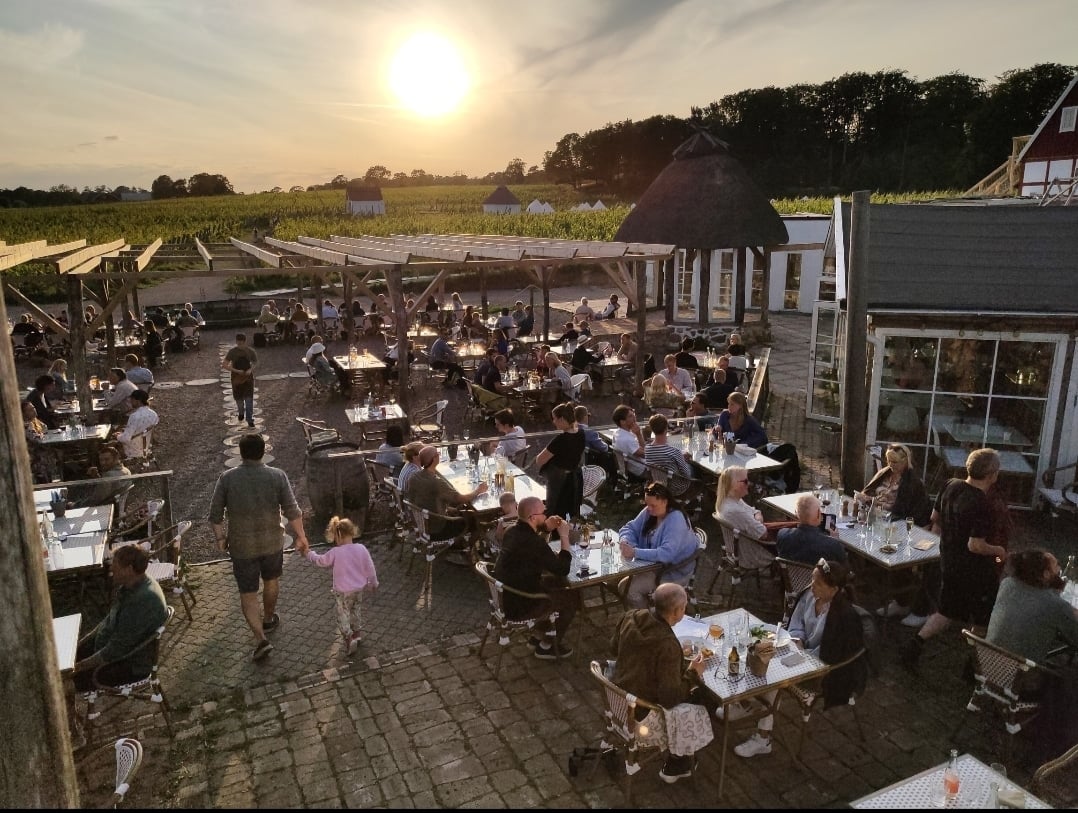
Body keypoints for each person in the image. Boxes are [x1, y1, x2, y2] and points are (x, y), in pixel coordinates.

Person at [733, 558, 865, 758]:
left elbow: (833, 652)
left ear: (834, 589)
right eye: (812, 580)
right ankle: (745, 704)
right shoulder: (809, 595)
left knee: (772, 675)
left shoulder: (844, 615)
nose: (812, 586)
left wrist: (803, 655)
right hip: (798, 651)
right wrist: (798, 639)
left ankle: (763, 738)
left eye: (818, 583)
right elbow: (796, 622)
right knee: (757, 650)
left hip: (824, 670)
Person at [902, 448, 1006, 670]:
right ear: (992, 475)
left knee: (946, 611)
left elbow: (935, 518)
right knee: (982, 619)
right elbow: (975, 545)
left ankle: (914, 645)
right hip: (976, 572)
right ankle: (972, 666)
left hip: (949, 563)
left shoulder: (950, 485)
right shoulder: (983, 504)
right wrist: (998, 550)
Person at [210, 433, 308, 662]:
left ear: (241, 453)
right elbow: (292, 510)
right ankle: (269, 618)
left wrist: (221, 538)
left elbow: (215, 515)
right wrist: (301, 536)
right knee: (271, 581)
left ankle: (260, 639)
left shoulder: (227, 478)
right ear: (263, 452)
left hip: (242, 547)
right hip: (272, 542)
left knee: (248, 592)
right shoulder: (277, 476)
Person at [611, 582, 713, 783]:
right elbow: (670, 698)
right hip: (641, 714)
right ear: (677, 611)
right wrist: (693, 673)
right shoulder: (668, 645)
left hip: (617, 698)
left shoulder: (631, 616)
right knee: (701, 696)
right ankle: (679, 760)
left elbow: (613, 648)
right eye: (684, 608)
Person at [987, 548, 1078, 755]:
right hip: (1021, 679)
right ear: (1045, 574)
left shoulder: (1007, 584)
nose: (1059, 569)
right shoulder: (1055, 605)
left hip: (988, 667)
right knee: (1070, 676)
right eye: (1056, 567)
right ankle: (1059, 741)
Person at [72, 544, 169, 691]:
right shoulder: (130, 586)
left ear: (129, 569)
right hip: (108, 647)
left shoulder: (141, 601)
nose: (111, 569)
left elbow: (116, 650)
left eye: (115, 565)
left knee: (67, 682)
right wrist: (82, 642)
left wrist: (78, 667)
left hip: (130, 665)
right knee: (65, 659)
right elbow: (110, 619)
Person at [492, 495, 577, 659]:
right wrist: (564, 536)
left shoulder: (511, 531)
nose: (546, 515)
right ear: (532, 518)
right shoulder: (534, 543)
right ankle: (547, 646)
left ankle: (537, 635)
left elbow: (532, 547)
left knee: (555, 583)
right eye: (543, 513)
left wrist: (545, 528)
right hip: (520, 604)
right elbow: (562, 568)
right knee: (571, 599)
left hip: (505, 594)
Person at [297, 516, 378, 656]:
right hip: (358, 589)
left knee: (343, 615)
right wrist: (373, 582)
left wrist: (308, 554)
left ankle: (349, 638)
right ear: (352, 532)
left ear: (338, 536)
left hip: (342, 591)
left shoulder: (336, 552)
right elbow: (369, 567)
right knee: (356, 610)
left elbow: (321, 561)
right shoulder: (361, 549)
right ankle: (357, 634)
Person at [618, 482, 699, 609]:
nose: (649, 508)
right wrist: (626, 542)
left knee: (626, 588)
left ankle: (647, 617)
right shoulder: (650, 511)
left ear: (665, 502)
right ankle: (643, 612)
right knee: (616, 578)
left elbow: (666, 554)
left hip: (671, 572)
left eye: (653, 505)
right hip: (651, 565)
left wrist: (634, 552)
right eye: (647, 504)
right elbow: (630, 528)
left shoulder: (676, 519)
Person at [405, 445, 487, 541]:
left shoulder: (414, 477)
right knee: (476, 520)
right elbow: (461, 499)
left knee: (461, 510)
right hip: (437, 529)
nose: (439, 455)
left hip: (421, 524)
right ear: (434, 459)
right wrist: (478, 490)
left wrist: (448, 509)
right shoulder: (437, 482)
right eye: (437, 454)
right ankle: (467, 546)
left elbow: (426, 499)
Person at [713, 466, 790, 559]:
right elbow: (763, 534)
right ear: (734, 485)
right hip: (755, 552)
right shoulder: (735, 510)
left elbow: (755, 511)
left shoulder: (731, 499)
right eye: (745, 481)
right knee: (798, 534)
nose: (749, 483)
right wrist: (758, 519)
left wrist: (757, 519)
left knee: (794, 525)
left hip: (750, 540)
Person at [854, 444, 932, 527]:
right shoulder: (884, 473)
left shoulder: (912, 482)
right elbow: (868, 490)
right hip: (873, 516)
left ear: (905, 462)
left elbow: (901, 510)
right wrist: (863, 497)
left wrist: (873, 502)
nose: (891, 465)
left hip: (895, 522)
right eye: (889, 461)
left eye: (894, 462)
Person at [535, 403, 586, 519]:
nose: (553, 422)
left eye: (554, 418)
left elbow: (539, 460)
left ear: (562, 419)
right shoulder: (581, 433)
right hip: (575, 478)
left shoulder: (560, 440)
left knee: (555, 512)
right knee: (571, 512)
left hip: (559, 482)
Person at [775, 494, 848, 564]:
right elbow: (845, 565)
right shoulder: (833, 544)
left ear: (796, 514)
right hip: (819, 573)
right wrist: (835, 539)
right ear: (818, 514)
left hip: (791, 572)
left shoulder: (782, 534)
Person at [644, 414, 693, 497]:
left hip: (658, 486)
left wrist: (679, 457)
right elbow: (687, 475)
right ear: (666, 428)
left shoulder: (647, 449)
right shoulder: (674, 451)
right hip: (675, 488)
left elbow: (662, 454)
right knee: (693, 468)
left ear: (652, 429)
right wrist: (682, 459)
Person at [223, 333, 258, 427]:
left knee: (249, 399)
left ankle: (250, 419)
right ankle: (241, 412)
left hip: (248, 378)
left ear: (245, 342)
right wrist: (236, 370)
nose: (240, 346)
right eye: (239, 344)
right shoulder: (232, 352)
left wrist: (250, 369)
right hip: (236, 378)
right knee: (239, 399)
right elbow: (225, 365)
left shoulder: (250, 351)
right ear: (236, 342)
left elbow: (255, 362)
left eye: (242, 344)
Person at [116, 389, 159, 460]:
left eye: (132, 400)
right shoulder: (154, 414)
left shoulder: (134, 416)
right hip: (147, 446)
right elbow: (143, 429)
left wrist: (118, 436)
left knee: (111, 445)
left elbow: (126, 439)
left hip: (133, 449)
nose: (130, 402)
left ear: (138, 401)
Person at [574, 404, 615, 477]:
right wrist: (606, 444)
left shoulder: (572, 430)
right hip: (592, 460)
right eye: (588, 416)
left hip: (578, 461)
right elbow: (603, 448)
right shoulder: (589, 431)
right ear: (585, 417)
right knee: (612, 453)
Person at [22, 400, 56, 483]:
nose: (34, 410)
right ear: (24, 414)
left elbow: (45, 428)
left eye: (33, 408)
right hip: (34, 455)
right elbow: (36, 439)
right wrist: (40, 434)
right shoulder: (26, 425)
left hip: (43, 450)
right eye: (30, 410)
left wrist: (41, 434)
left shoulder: (34, 420)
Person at [611, 404, 648, 479]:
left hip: (628, 469)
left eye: (633, 414)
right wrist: (639, 434)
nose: (634, 417)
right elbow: (646, 455)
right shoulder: (627, 439)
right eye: (630, 416)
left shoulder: (617, 433)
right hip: (641, 471)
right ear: (622, 422)